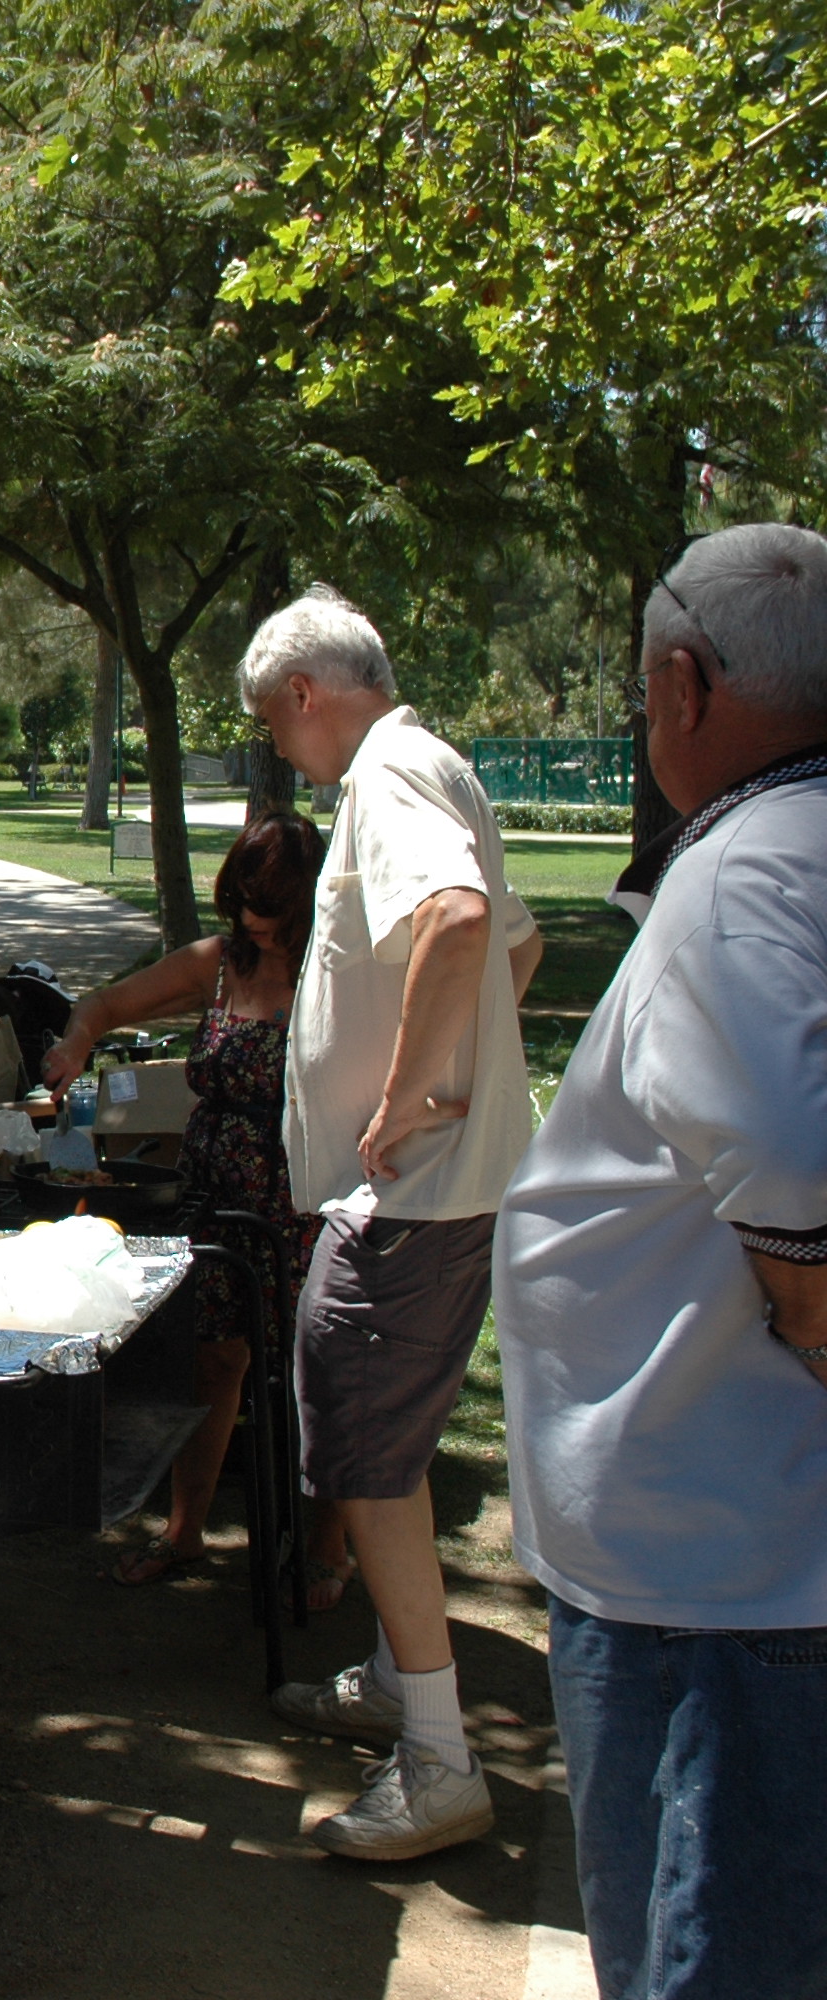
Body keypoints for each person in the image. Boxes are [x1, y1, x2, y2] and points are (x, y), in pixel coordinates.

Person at [494, 523, 827, 2000]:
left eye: (641, 698)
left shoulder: (743, 874)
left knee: (709, 1958)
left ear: (684, 686)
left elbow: (797, 1170)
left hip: (723, 1590)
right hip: (741, 1567)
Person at [241, 587, 544, 1863]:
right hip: (431, 1193)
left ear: (304, 694)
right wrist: (447, 1056)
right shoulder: (431, 764)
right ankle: (392, 1677)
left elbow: (465, 923)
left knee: (361, 1459)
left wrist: (415, 1094)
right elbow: (516, 948)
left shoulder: (384, 775)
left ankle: (436, 1761)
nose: (275, 745)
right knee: (391, 1452)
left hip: (409, 1204)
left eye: (269, 722)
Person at [43, 812, 355, 1603]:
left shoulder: (340, 970)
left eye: (272, 899)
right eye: (244, 894)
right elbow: (104, 1004)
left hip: (307, 1203)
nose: (253, 914)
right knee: (213, 1362)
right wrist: (76, 1043)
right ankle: (184, 1531)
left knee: (322, 1376)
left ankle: (327, 1546)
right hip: (217, 1201)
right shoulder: (217, 965)